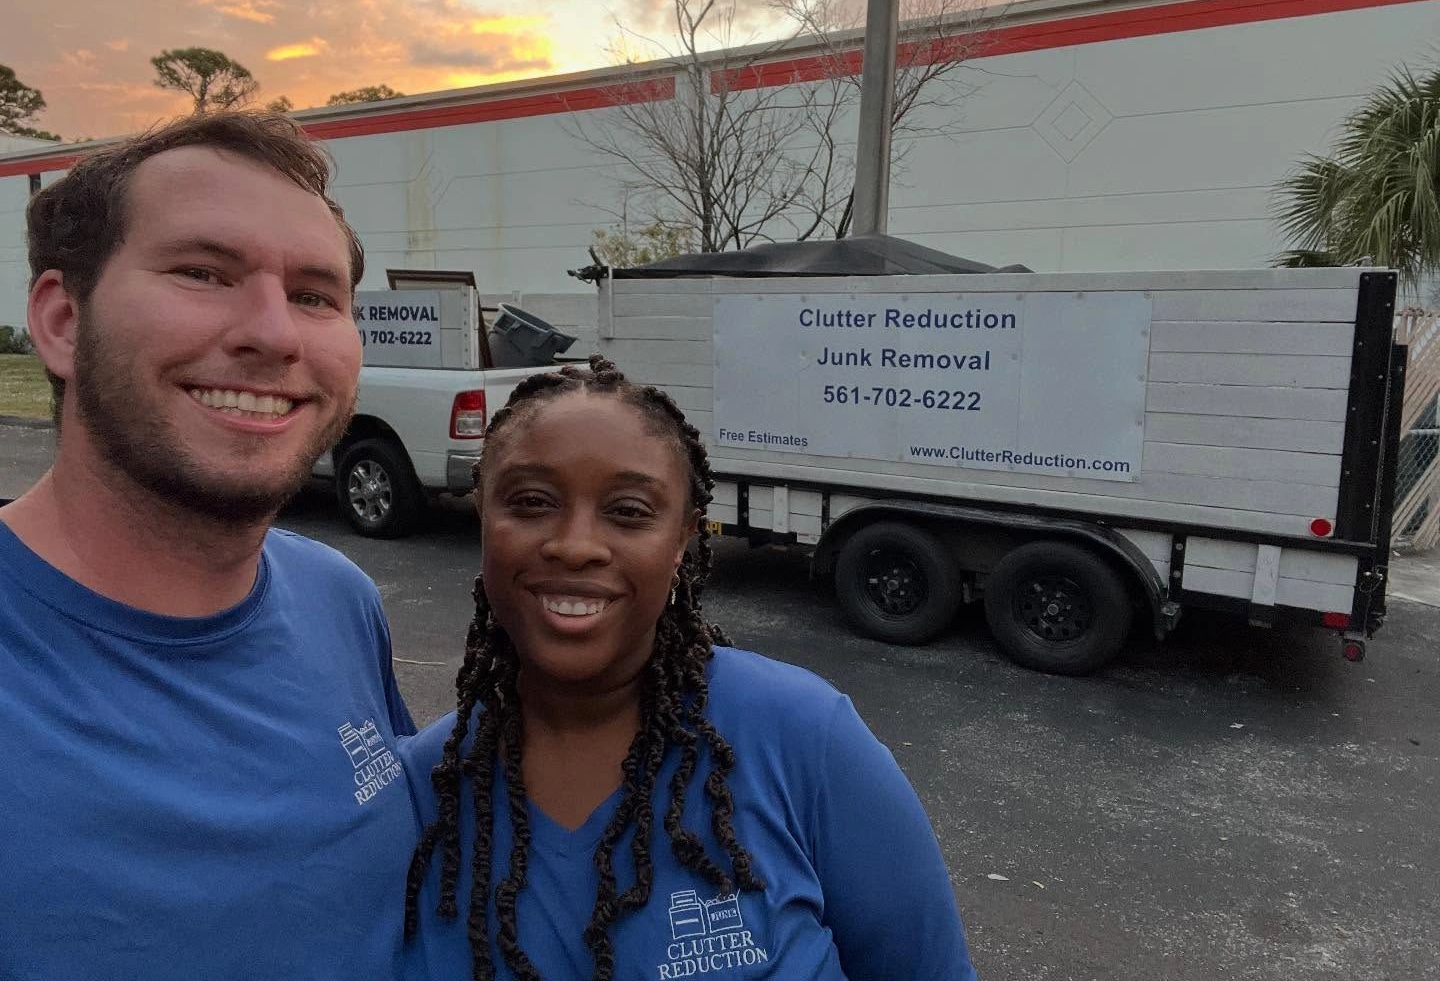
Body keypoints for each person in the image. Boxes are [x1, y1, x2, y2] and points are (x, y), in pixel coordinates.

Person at [0, 112, 418, 979]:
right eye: (203, 272)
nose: (274, 332)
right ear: (63, 320)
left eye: (314, 295)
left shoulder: (339, 599)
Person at [401, 356, 978, 980]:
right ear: (484, 516)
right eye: (532, 501)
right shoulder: (423, 789)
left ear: (682, 539)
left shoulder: (805, 737)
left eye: (628, 511)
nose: (574, 544)